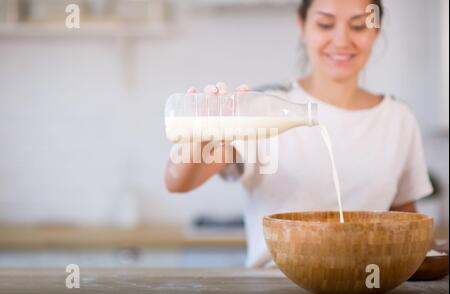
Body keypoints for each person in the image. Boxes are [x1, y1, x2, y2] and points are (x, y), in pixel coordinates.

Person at [165, 0, 445, 268]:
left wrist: (436, 252)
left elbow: (407, 222)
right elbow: (178, 182)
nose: (341, 40)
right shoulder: (262, 108)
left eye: (358, 26)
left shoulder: (397, 118)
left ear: (376, 31)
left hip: (366, 286)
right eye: (325, 24)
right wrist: (201, 136)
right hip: (274, 290)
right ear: (303, 26)